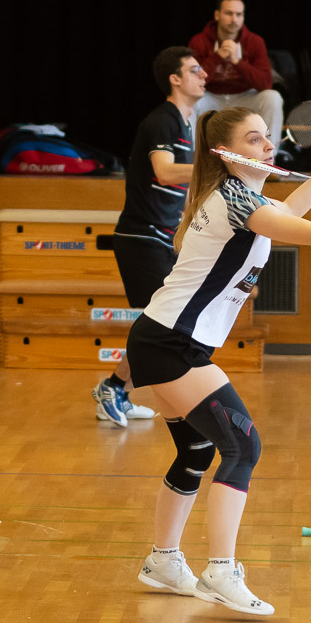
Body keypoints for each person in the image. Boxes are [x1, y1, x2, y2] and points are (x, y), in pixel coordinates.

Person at [129, 106, 311, 615]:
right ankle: (221, 570)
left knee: (197, 451)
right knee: (242, 446)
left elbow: (290, 211)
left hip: (164, 338)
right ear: (226, 153)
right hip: (171, 343)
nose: (268, 146)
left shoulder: (240, 197)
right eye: (254, 138)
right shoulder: (235, 200)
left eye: (267, 137)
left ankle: (163, 560)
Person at [93, 47, 206, 427]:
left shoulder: (186, 124)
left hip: (163, 236)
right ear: (175, 79)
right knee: (160, 323)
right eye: (194, 70)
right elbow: (165, 172)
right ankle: (115, 388)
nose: (204, 75)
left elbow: (182, 189)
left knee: (161, 322)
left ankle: (116, 390)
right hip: (141, 236)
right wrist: (214, 167)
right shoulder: (163, 121)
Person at [189, 0, 284, 146]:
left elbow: (266, 83)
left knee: (273, 97)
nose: (234, 19)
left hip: (244, 97)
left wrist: (237, 62)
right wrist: (217, 57)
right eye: (229, 13)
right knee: (188, 97)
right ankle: (191, 155)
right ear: (217, 15)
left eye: (239, 14)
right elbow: (192, 83)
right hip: (211, 96)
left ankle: (270, 155)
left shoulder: (255, 41)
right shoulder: (199, 41)